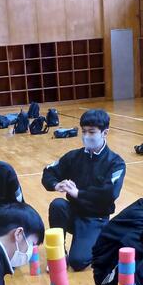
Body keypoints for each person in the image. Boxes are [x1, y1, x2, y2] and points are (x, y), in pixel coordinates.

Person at [41, 109, 125, 271]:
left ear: (105, 133)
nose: (86, 136)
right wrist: (56, 185)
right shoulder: (74, 156)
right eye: (84, 131)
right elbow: (49, 172)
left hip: (96, 218)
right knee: (58, 204)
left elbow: (110, 193)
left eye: (91, 132)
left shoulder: (115, 163)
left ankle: (100, 238)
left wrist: (79, 193)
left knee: (78, 262)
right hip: (74, 213)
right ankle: (60, 252)